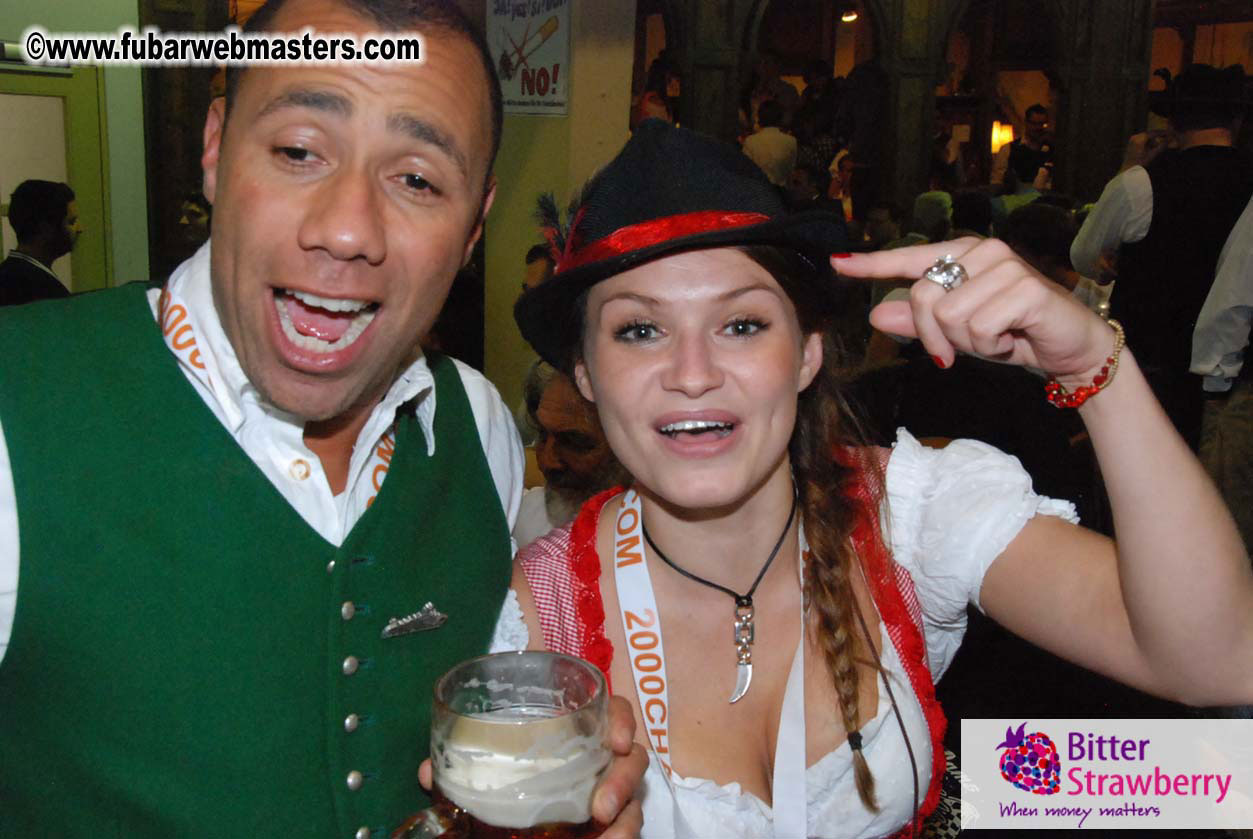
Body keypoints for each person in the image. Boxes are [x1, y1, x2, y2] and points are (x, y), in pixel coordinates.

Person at [503, 119, 1253, 838]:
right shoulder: (530, 622)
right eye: (640, 330)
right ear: (585, 374)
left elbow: (1220, 661)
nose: (693, 373)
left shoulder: (913, 516)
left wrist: (1093, 369)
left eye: (741, 324)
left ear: (806, 352)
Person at [0, 1, 644, 836]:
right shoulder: (19, 409)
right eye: (299, 151)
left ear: (473, 228)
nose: (346, 230)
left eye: (417, 180)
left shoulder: (476, 424)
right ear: (214, 149)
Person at [1071, 63, 1253, 449]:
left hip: (1152, 358)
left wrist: (1129, 166)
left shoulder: (1141, 182)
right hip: (1233, 370)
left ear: (1171, 123)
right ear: (1236, 120)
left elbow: (1083, 256)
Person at [514, 363, 631, 549]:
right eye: (542, 435)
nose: (547, 461)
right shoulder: (523, 522)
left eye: (574, 442)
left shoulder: (668, 544)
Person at [0, 179, 80, 305]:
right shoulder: (43, 291)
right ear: (45, 228)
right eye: (71, 222)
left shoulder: (8, 275)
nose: (80, 229)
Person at [990, 103, 1054, 188]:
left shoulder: (1051, 150)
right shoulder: (1008, 149)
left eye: (1042, 124)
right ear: (1026, 123)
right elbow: (997, 181)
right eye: (1034, 124)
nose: (1038, 128)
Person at [741, 99, 796, 189]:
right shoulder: (791, 141)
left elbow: (745, 171)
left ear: (759, 117)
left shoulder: (751, 141)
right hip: (780, 191)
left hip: (757, 189)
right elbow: (790, 171)